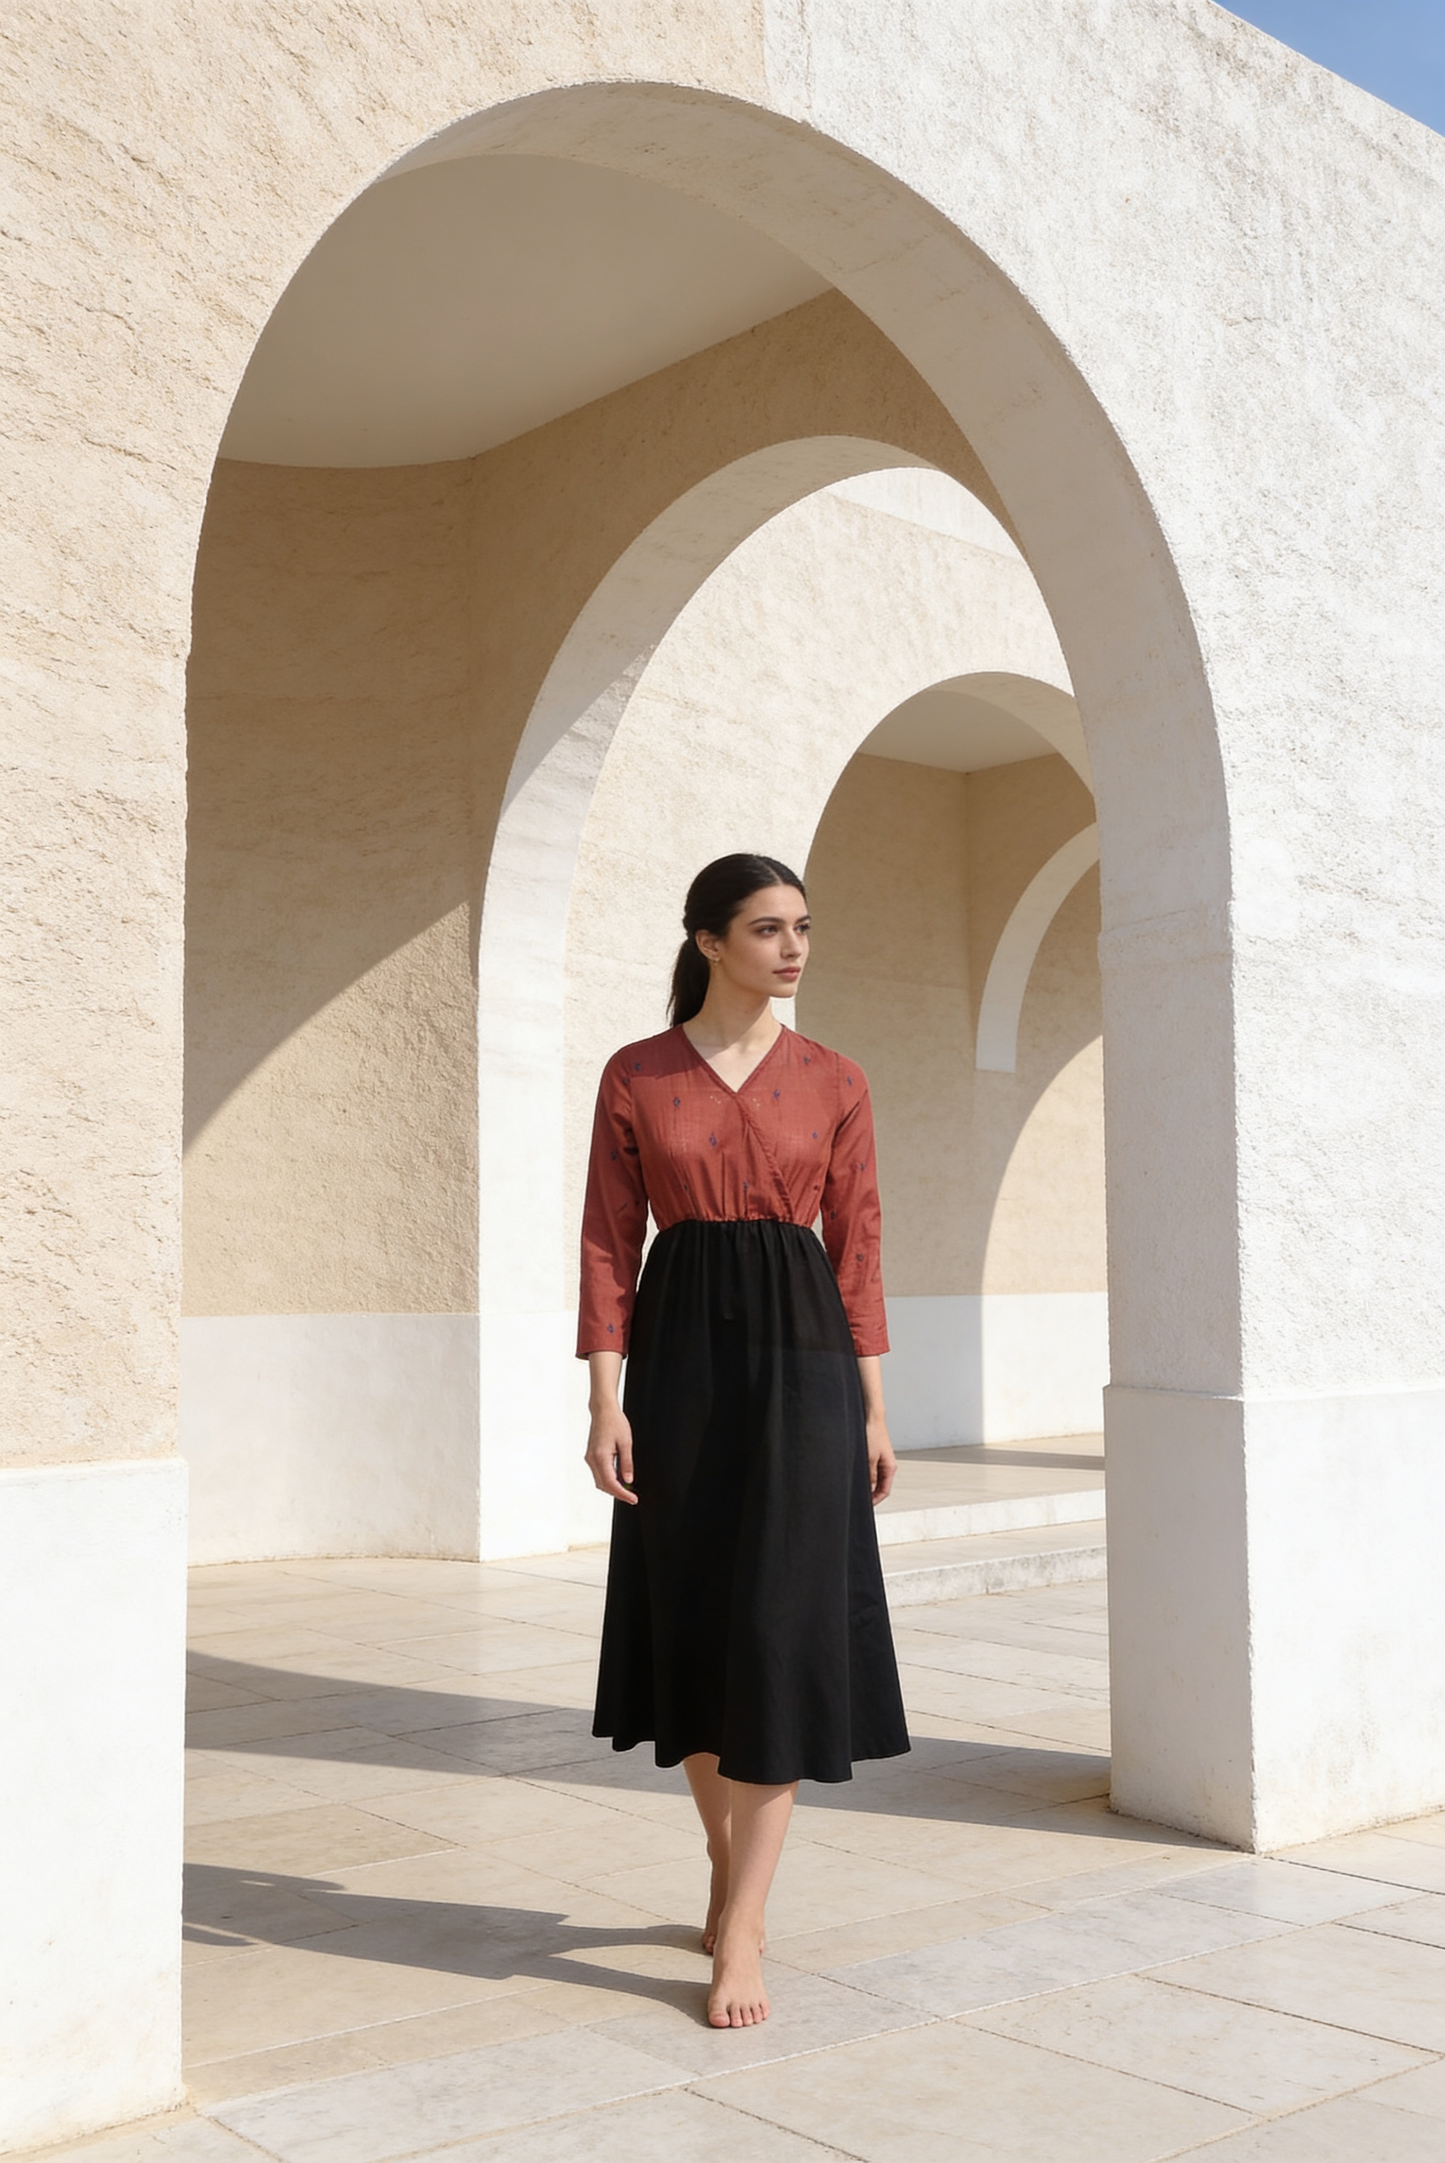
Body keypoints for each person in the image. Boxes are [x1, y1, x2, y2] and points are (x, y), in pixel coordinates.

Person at [578, 852, 910, 2030]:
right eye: (768, 929)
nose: (793, 948)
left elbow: (858, 1247)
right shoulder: (638, 1074)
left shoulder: (835, 1079)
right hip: (676, 1362)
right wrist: (603, 1402)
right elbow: (610, 1247)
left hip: (803, 1360)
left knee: (774, 1628)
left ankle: (746, 1924)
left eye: (803, 928)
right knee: (700, 1624)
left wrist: (872, 1408)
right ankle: (725, 1869)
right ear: (709, 941)